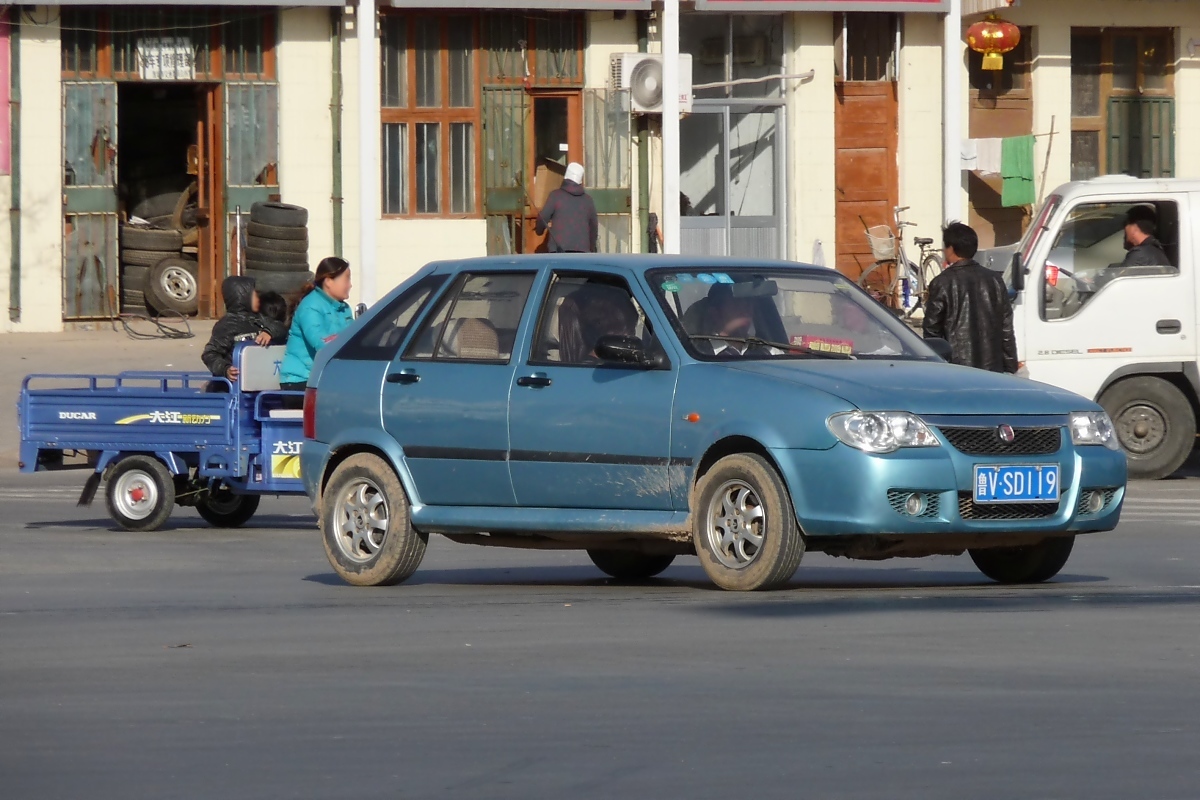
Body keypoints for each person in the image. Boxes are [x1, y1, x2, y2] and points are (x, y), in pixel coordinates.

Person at [923, 222, 1018, 374]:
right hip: (992, 369)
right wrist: (1011, 367)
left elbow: (931, 330)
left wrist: (937, 366)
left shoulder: (941, 283)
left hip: (957, 370)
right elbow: (1006, 328)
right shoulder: (995, 280)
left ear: (951, 248)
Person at [279, 257, 355, 390]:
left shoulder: (344, 308)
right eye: (346, 279)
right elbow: (322, 344)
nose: (350, 285)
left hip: (326, 377)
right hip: (301, 380)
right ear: (329, 281)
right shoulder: (310, 306)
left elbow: (354, 337)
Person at [202, 276, 289, 386]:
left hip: (257, 380)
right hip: (234, 385)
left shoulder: (259, 319)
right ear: (243, 297)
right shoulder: (227, 326)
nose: (258, 298)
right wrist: (225, 369)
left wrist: (269, 331)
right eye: (254, 295)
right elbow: (210, 354)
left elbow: (281, 328)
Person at [535, 162, 598, 254]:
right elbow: (593, 227)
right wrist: (591, 248)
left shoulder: (555, 196)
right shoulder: (588, 200)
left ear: (566, 177)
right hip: (582, 252)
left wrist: (539, 230)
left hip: (558, 251)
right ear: (580, 181)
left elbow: (543, 217)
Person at [1119, 205, 1172, 269]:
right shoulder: (1154, 249)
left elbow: (1121, 274)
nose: (1124, 229)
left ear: (1134, 227)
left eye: (1125, 224)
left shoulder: (1140, 254)